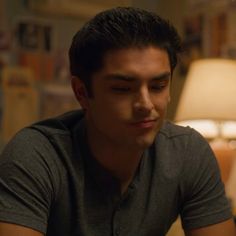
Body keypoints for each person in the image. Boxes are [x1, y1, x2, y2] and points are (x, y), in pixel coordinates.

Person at [0, 7, 235, 236]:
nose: (145, 104)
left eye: (158, 86)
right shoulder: (36, 156)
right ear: (81, 92)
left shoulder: (188, 153)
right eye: (122, 89)